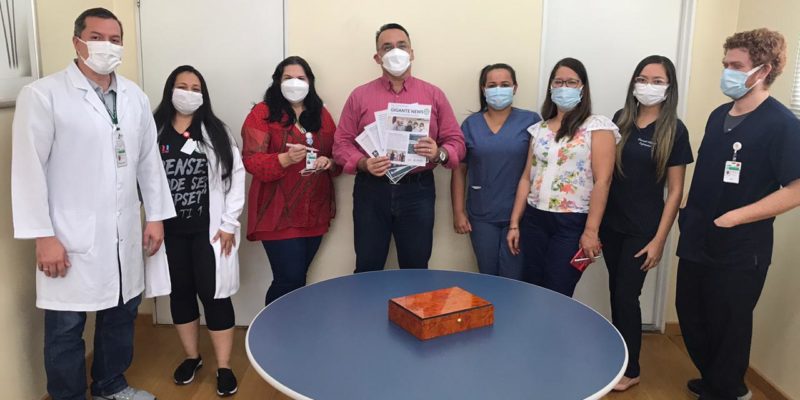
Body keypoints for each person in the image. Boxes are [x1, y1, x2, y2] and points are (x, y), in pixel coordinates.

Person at [11, 8, 174, 400]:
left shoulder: (134, 97)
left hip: (123, 232)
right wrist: (43, 236)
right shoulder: (44, 95)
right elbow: (28, 170)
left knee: (122, 312)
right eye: (97, 37)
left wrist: (155, 216)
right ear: (77, 42)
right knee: (66, 327)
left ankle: (109, 385)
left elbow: (149, 162)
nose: (107, 46)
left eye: (115, 39)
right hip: (68, 235)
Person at [676, 28, 800, 400]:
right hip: (699, 235)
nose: (727, 72)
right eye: (726, 64)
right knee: (691, 313)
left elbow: (796, 188)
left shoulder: (782, 125)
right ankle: (714, 380)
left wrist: (736, 217)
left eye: (736, 65)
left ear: (764, 70)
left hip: (740, 247)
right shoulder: (718, 116)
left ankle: (730, 391)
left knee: (728, 325)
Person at [333, 23, 465, 272]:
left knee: (416, 268)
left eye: (401, 46)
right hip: (371, 190)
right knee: (367, 267)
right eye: (387, 47)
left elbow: (456, 142)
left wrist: (439, 153)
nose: (395, 52)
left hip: (418, 190)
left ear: (412, 53)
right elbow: (340, 143)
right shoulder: (359, 96)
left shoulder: (434, 95)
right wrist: (363, 163)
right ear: (377, 57)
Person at [600, 56, 693, 391]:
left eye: (657, 81)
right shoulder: (620, 120)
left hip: (643, 229)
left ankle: (632, 369)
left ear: (669, 87)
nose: (648, 86)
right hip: (611, 224)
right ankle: (620, 358)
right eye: (642, 78)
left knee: (627, 295)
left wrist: (660, 240)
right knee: (616, 291)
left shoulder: (674, 130)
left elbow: (676, 190)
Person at [152, 65, 245, 396]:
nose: (188, 93)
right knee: (180, 293)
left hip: (210, 231)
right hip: (169, 232)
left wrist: (229, 223)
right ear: (170, 90)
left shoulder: (216, 131)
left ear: (203, 95)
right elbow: (140, 177)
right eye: (182, 86)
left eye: (195, 88)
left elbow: (236, 177)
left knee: (214, 294)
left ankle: (224, 366)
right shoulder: (154, 129)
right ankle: (192, 357)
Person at [507, 57, 619, 297]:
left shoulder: (597, 126)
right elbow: (527, 177)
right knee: (531, 288)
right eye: (559, 82)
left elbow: (603, 181)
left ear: (583, 88)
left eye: (571, 82)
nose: (564, 87)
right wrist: (515, 223)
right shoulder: (539, 129)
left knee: (558, 291)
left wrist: (591, 230)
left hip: (571, 223)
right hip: (535, 219)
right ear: (551, 87)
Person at [242, 56, 339, 305]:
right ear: (277, 81)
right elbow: (251, 160)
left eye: (300, 78)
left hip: (313, 210)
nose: (294, 83)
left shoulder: (321, 114)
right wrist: (284, 159)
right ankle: (271, 327)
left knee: (298, 281)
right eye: (288, 78)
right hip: (277, 212)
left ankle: (292, 326)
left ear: (310, 82)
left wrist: (328, 162)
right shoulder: (262, 113)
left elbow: (337, 155)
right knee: (288, 279)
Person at [451, 63, 541, 278]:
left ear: (515, 88)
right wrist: (458, 212)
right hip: (482, 214)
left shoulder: (531, 122)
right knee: (488, 275)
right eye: (492, 85)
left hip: (521, 215)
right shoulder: (471, 124)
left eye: (505, 84)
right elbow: (459, 171)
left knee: (514, 277)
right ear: (483, 89)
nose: (498, 90)